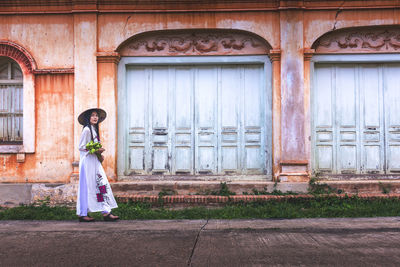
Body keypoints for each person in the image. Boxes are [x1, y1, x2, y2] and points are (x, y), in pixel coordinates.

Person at [76, 108, 119, 222]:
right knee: (86, 187)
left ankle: (106, 211)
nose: (95, 117)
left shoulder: (94, 130)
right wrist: (96, 151)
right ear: (88, 118)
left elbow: (92, 146)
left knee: (101, 184)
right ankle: (82, 213)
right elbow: (81, 147)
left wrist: (98, 153)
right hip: (87, 162)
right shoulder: (86, 130)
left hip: (94, 161)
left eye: (96, 116)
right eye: (92, 115)